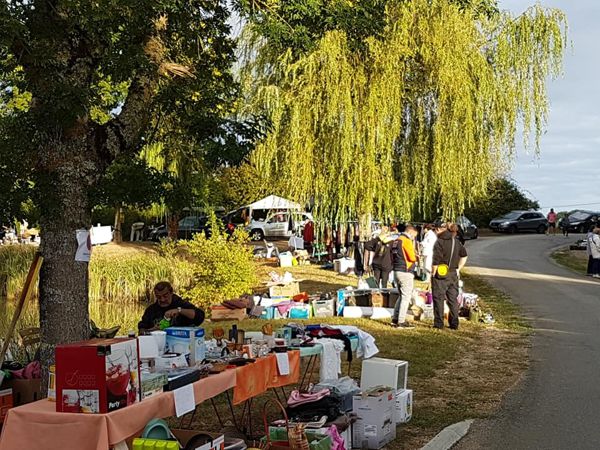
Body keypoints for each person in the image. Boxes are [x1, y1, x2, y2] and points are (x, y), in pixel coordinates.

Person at [431, 222, 468, 330]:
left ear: (439, 230)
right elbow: (464, 256)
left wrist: (433, 273)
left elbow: (436, 260)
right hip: (453, 274)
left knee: (438, 298)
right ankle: (454, 323)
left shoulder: (440, 242)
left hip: (440, 273)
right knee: (452, 299)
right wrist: (458, 269)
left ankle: (439, 323)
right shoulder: (456, 242)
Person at [138, 281, 205, 333]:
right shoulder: (150, 310)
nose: (162, 299)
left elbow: (200, 316)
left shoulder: (180, 303)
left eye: (165, 296)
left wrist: (179, 310)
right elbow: (141, 331)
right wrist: (152, 330)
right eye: (158, 297)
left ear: (171, 292)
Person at [390, 225, 418, 329]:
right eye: (414, 236)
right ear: (410, 232)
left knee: (401, 295)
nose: (413, 238)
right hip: (405, 271)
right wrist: (416, 256)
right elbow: (411, 257)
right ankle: (401, 322)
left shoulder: (396, 240)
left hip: (397, 270)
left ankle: (395, 319)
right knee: (406, 297)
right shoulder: (406, 241)